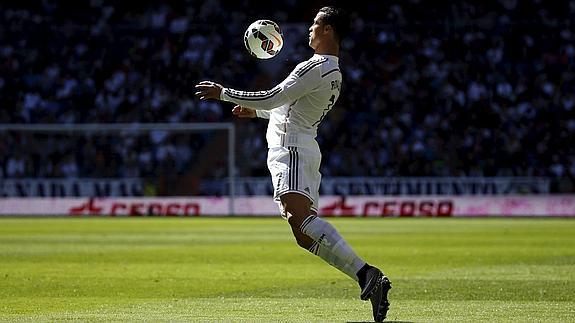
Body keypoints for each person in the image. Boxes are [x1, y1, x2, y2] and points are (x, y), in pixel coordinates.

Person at [195, 6, 392, 322]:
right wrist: (257, 113)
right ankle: (365, 276)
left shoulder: (315, 67)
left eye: (316, 23)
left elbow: (274, 97)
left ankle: (367, 274)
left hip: (293, 151)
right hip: (298, 148)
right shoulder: (333, 73)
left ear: (328, 30)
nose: (310, 28)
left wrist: (226, 93)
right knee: (302, 234)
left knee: (300, 220)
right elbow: (291, 110)